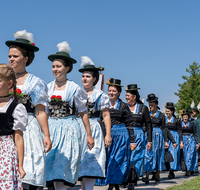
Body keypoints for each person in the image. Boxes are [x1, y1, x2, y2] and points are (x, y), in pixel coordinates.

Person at [6, 30, 52, 190]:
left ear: (25, 58)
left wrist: (46, 135)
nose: (11, 59)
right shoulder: (3, 80)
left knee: (29, 167)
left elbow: (40, 111)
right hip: (5, 128)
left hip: (27, 128)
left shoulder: (36, 83)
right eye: (10, 56)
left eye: (15, 56)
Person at [46, 42, 94, 190]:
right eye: (53, 66)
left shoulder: (75, 89)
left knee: (62, 167)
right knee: (49, 167)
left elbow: (83, 112)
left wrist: (89, 134)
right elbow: (44, 112)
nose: (55, 69)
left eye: (58, 66)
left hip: (68, 130)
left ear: (67, 68)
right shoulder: (47, 87)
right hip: (51, 128)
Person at [77, 56, 112, 190]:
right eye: (83, 76)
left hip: (94, 127)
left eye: (88, 76)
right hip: (78, 128)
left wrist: (108, 134)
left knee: (91, 160)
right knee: (80, 162)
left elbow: (106, 115)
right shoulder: (77, 93)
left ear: (94, 79)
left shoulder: (100, 95)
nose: (84, 79)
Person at [95, 78, 135, 190]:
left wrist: (132, 141)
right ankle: (115, 185)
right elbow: (98, 119)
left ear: (118, 93)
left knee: (117, 160)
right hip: (107, 135)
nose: (111, 93)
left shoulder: (123, 106)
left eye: (114, 91)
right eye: (110, 90)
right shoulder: (103, 103)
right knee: (108, 160)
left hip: (122, 136)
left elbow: (129, 124)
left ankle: (112, 185)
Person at [0, 64, 28, 189]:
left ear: (9, 84)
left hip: (5, 152)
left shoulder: (16, 108)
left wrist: (20, 165)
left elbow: (18, 138)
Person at [125, 84, 152, 187]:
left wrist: (149, 141)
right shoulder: (123, 106)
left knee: (137, 157)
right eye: (126, 95)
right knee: (126, 157)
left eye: (128, 95)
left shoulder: (143, 108)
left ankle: (133, 179)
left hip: (139, 135)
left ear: (134, 96)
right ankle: (126, 178)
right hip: (126, 134)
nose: (126, 97)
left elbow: (149, 124)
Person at [144, 93, 169, 184]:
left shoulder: (161, 115)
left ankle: (157, 175)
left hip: (158, 137)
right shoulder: (146, 113)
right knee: (148, 155)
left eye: (152, 105)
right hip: (148, 135)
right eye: (149, 105)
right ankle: (146, 175)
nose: (150, 107)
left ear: (156, 105)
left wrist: (166, 141)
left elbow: (164, 128)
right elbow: (144, 125)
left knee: (158, 155)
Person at [165, 102, 183, 179]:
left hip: (174, 137)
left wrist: (181, 141)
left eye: (168, 111)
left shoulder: (177, 120)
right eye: (166, 111)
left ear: (172, 111)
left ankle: (171, 171)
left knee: (173, 154)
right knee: (165, 154)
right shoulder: (164, 119)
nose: (167, 113)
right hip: (166, 137)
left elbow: (180, 131)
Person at [180, 110, 199, 176]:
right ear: (182, 117)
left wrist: (197, 142)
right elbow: (179, 133)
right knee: (185, 155)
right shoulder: (180, 123)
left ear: (188, 117)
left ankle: (189, 169)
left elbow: (195, 133)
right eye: (184, 117)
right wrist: (181, 141)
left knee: (190, 154)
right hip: (183, 140)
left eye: (186, 117)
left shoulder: (191, 124)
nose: (185, 118)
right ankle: (188, 169)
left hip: (191, 140)